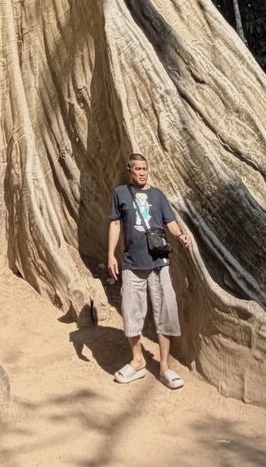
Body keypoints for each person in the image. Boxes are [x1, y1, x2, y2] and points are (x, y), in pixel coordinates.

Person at [107, 153, 194, 389]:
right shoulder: (121, 193)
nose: (142, 172)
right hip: (132, 264)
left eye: (145, 168)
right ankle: (138, 360)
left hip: (159, 263)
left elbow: (170, 222)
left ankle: (164, 366)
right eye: (137, 169)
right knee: (131, 312)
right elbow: (115, 224)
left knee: (165, 311)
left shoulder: (158, 195)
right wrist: (110, 254)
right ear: (129, 171)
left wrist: (181, 235)